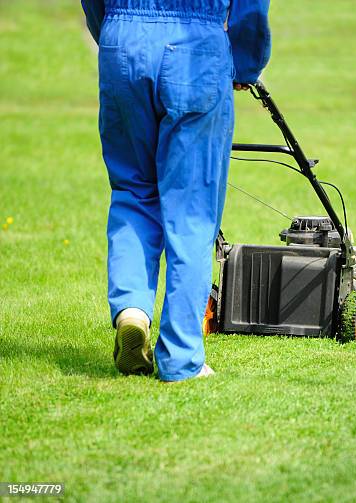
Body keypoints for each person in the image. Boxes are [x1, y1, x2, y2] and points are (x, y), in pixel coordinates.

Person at [81, 0, 271, 382]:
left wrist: (116, 34)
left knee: (133, 191)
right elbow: (251, 5)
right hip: (195, 45)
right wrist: (245, 62)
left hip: (123, 43)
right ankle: (181, 358)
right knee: (191, 210)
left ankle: (132, 310)